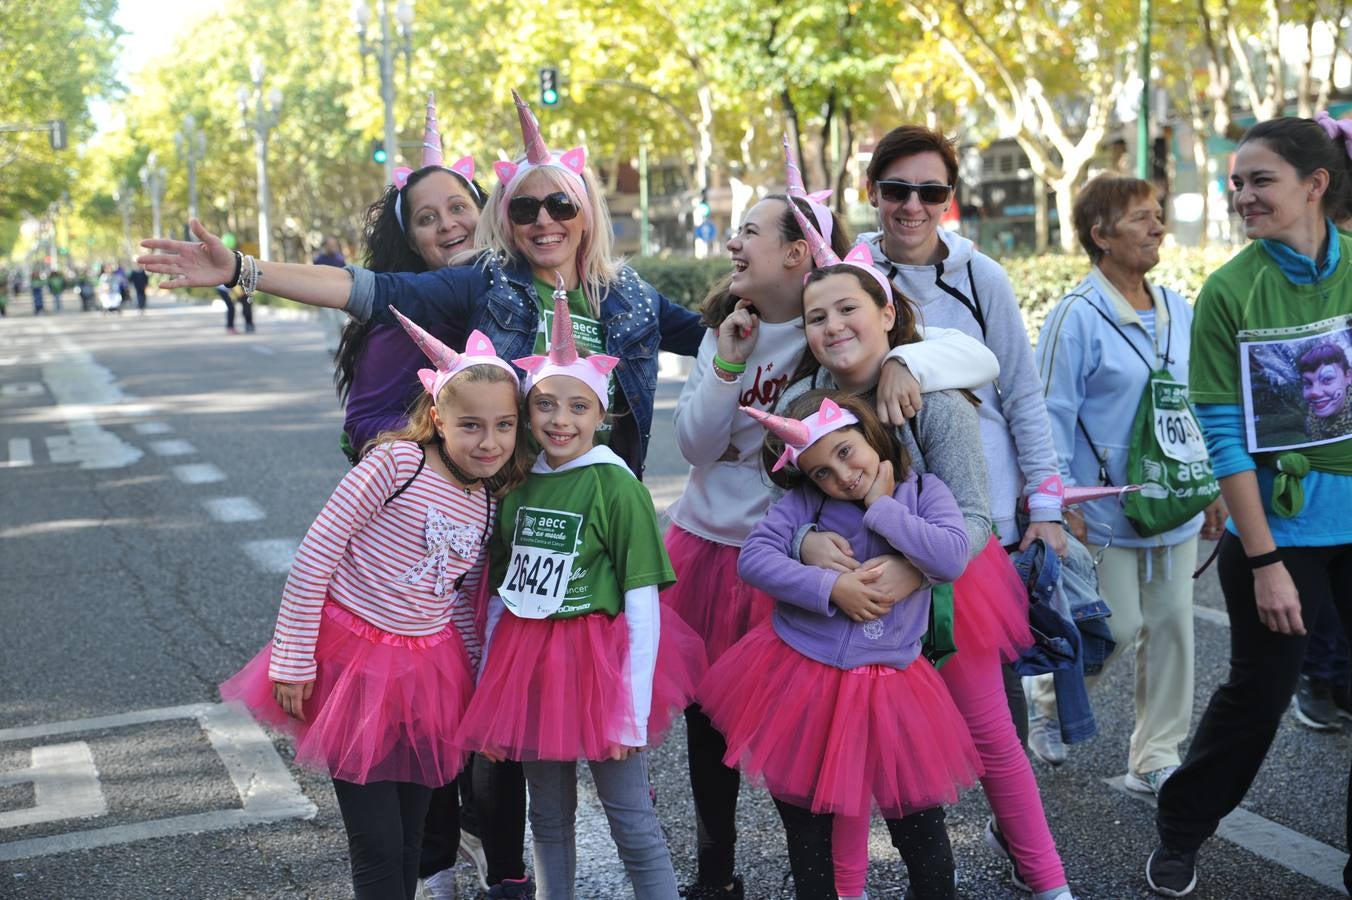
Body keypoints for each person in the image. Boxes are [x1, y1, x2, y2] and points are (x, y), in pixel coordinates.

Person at [664, 140, 999, 900]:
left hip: (811, 555)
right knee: (710, 724)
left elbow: (964, 355)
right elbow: (695, 442)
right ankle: (717, 872)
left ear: (795, 253)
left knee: (810, 742)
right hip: (724, 550)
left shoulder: (830, 340)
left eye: (749, 229)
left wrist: (911, 366)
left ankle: (826, 875)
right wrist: (723, 364)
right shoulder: (732, 331)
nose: (731, 243)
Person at [137, 89, 704, 479]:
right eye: (526, 208)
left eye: (560, 204)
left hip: (600, 501)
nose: (544, 221)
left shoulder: (630, 298)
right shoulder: (484, 284)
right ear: (507, 219)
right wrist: (243, 269)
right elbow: (369, 291)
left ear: (587, 213)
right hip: (508, 509)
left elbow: (715, 338)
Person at [783, 214, 1073, 900]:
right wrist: (802, 543)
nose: (832, 326)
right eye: (815, 316)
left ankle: (1050, 884)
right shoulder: (804, 407)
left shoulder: (934, 401)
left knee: (995, 746)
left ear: (888, 310)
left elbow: (973, 516)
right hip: (855, 613)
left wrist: (919, 569)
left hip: (952, 595)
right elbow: (786, 510)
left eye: (848, 308)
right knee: (854, 760)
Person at [219, 321, 528, 900]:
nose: (489, 441)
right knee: (379, 844)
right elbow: (317, 552)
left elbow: (457, 599)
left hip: (427, 673)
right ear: (438, 418)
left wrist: (478, 691)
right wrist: (292, 657)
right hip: (350, 665)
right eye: (471, 425)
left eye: (504, 426)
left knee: (411, 839)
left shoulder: (486, 500)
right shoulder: (397, 465)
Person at [1146, 114, 1352, 897]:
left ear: (1315, 185)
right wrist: (1264, 561)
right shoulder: (1231, 290)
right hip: (1278, 534)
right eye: (1236, 182)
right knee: (1258, 698)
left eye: (1259, 179)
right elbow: (1223, 438)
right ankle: (1182, 828)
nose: (1242, 195)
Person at [456, 292, 707, 900]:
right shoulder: (516, 486)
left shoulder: (616, 486)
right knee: (547, 817)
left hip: (600, 668)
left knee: (631, 818)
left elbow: (643, 600)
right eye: (544, 405)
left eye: (577, 406)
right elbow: (498, 599)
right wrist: (491, 686)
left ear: (603, 414)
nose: (559, 420)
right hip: (528, 666)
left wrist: (633, 708)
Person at [699, 390, 980, 900]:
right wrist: (831, 588)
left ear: (870, 432)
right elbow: (754, 559)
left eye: (846, 452)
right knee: (811, 844)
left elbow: (952, 558)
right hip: (804, 682)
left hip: (895, 688)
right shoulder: (805, 504)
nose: (841, 476)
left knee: (924, 841)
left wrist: (881, 507)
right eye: (821, 471)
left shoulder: (925, 492)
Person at [1033, 174, 1227, 794]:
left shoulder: (1178, 308)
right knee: (1113, 628)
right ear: (1101, 235)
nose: (1158, 227)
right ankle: (1046, 699)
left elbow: (1196, 404)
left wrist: (1215, 483)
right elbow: (1050, 413)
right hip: (1104, 509)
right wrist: (1061, 499)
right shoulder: (1077, 315)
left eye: (1158, 215)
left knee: (1172, 627)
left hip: (1174, 501)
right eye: (1142, 217)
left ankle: (1155, 756)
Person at [335, 94, 488, 461]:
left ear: (485, 213)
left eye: (458, 207)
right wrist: (445, 445)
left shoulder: (513, 287)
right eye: (427, 218)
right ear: (413, 243)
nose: (448, 224)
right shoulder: (405, 316)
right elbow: (362, 423)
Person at [1298, 341, 1352, 441]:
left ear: (1348, 377)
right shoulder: (1312, 421)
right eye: (1308, 383)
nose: (1314, 392)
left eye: (1327, 379)